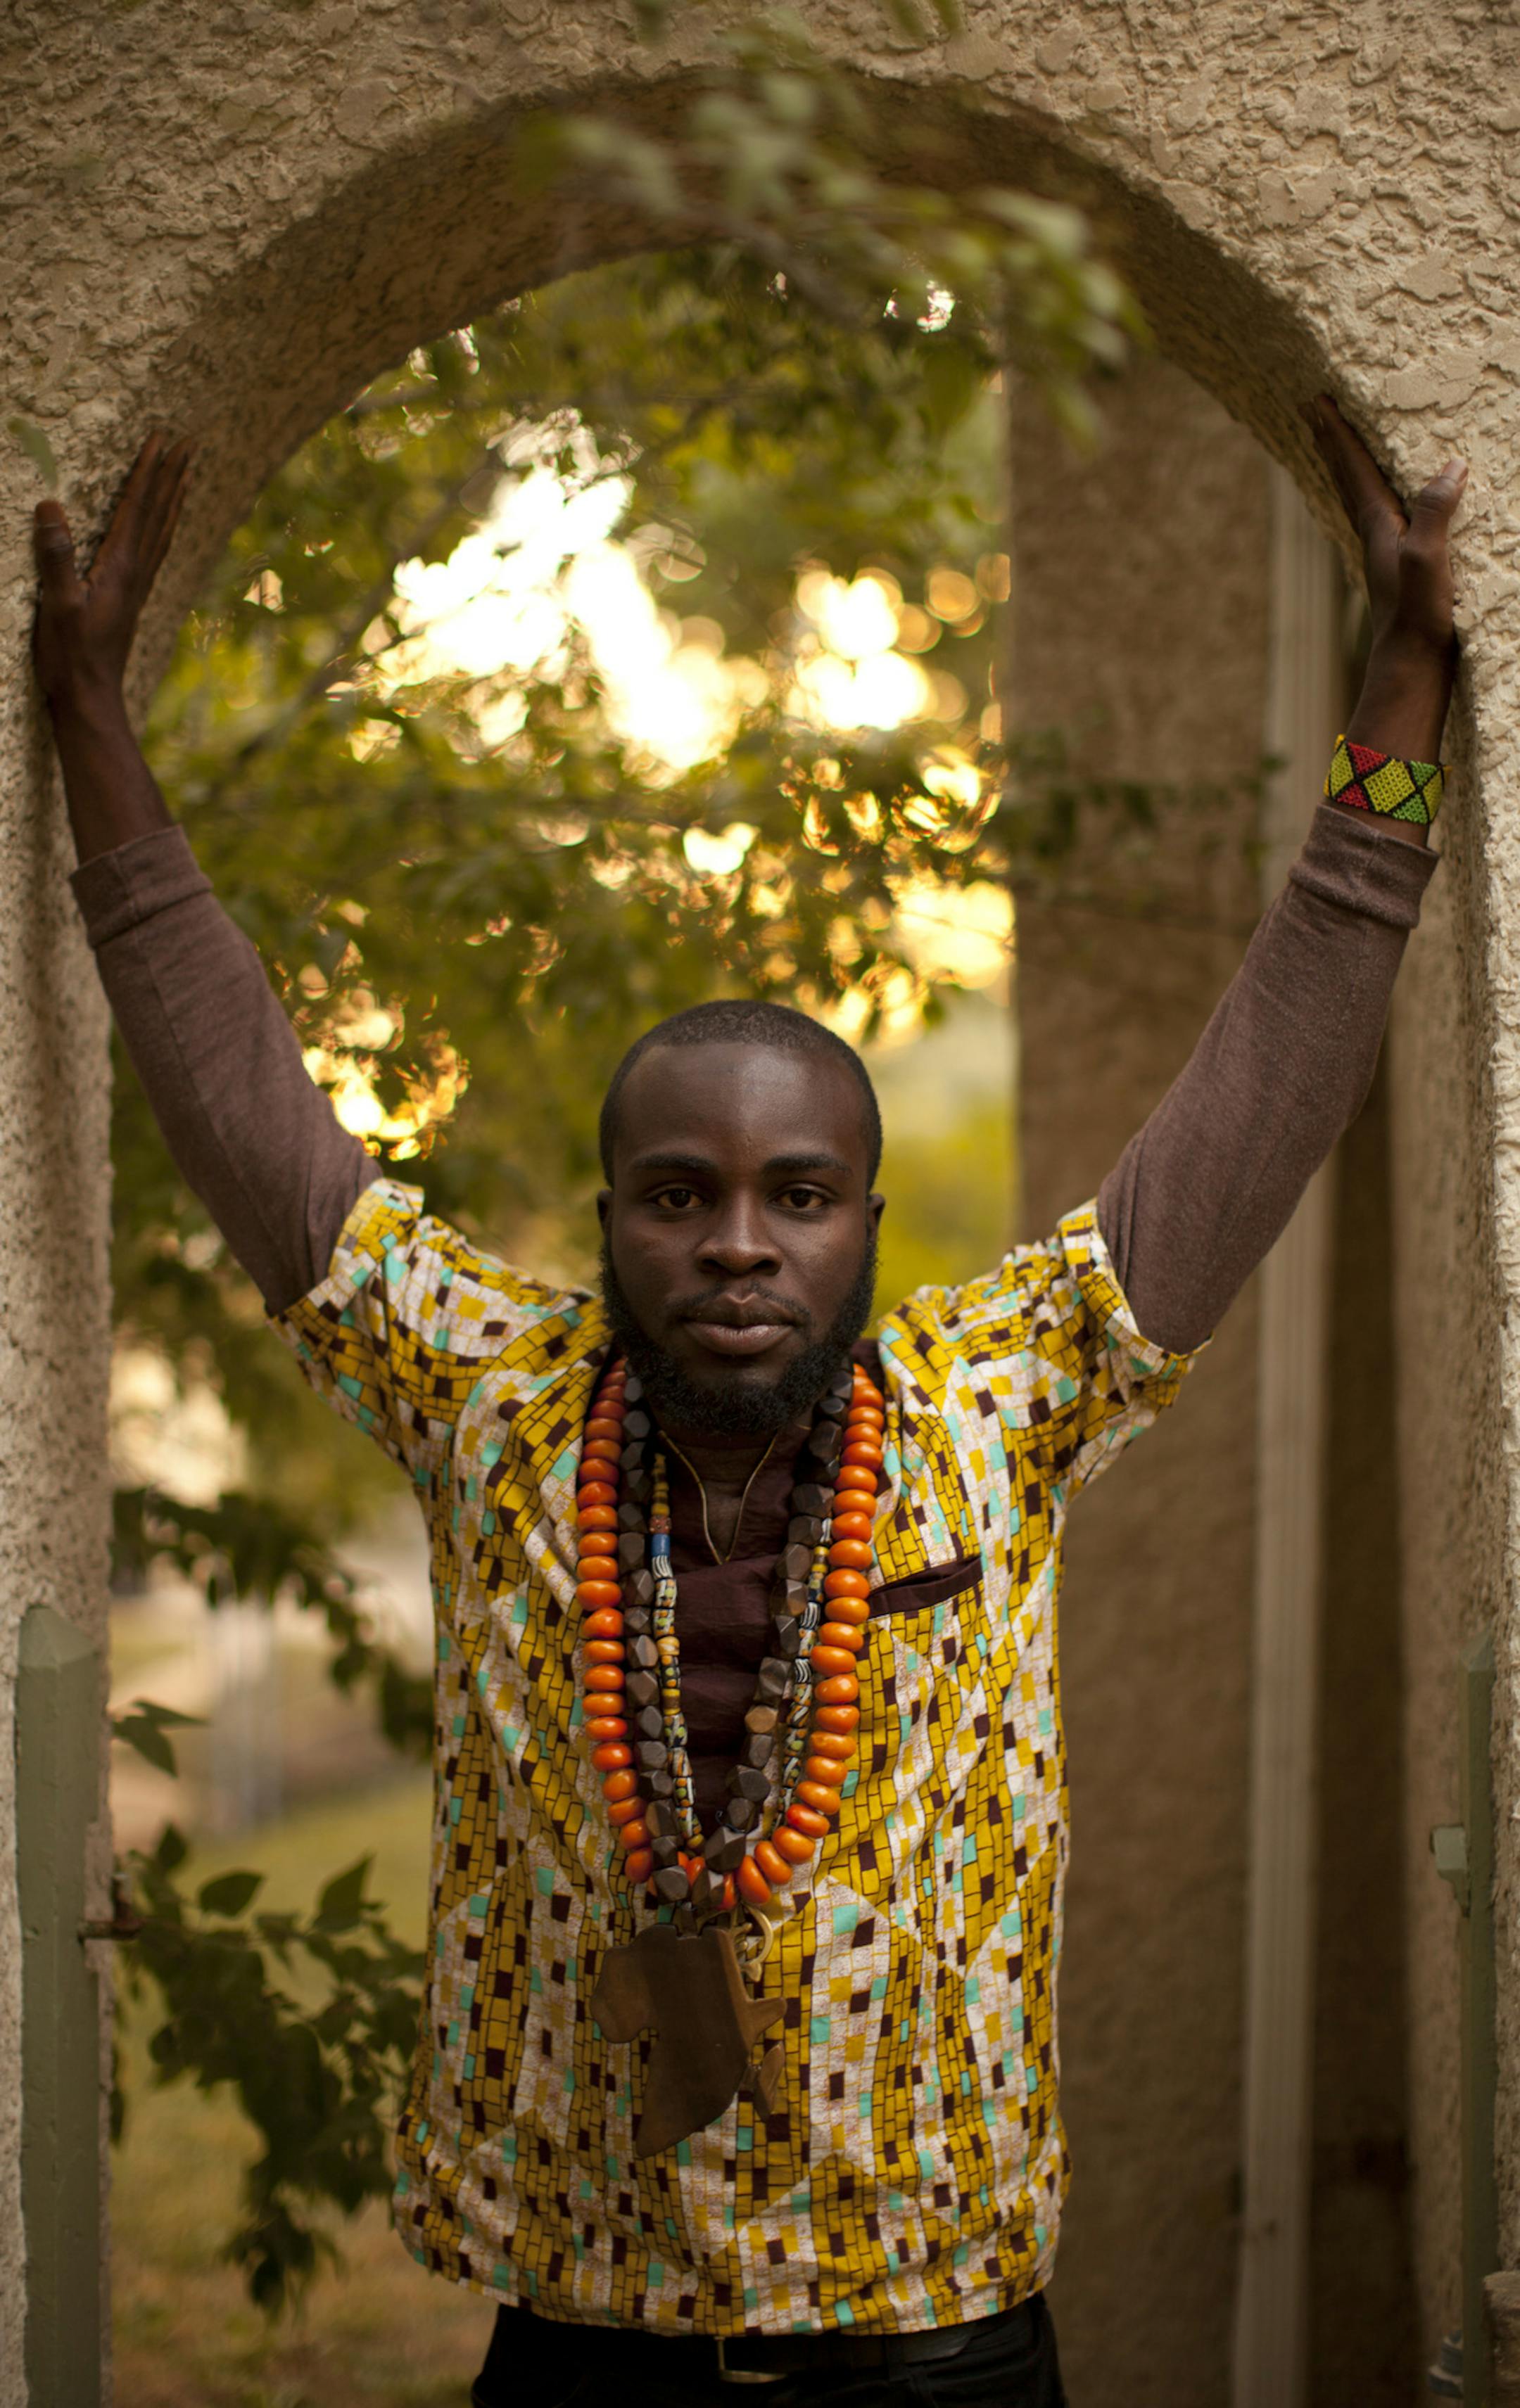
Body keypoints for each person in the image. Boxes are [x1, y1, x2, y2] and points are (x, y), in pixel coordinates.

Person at [31, 395, 1463, 2407]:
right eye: (680, 1194)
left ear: (866, 1220)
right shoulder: (490, 1395)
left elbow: (1273, 1069)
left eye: (797, 1196)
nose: (737, 1243)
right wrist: (88, 711)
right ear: (610, 1216)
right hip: (589, 2333)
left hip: (938, 2335)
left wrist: (1404, 678)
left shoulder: (995, 1398)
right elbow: (243, 1101)